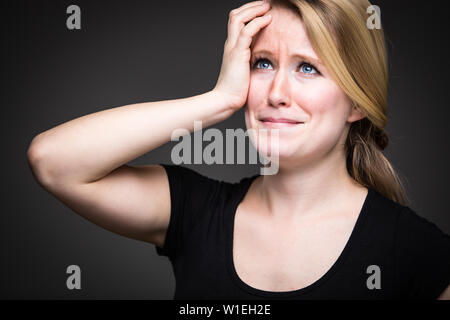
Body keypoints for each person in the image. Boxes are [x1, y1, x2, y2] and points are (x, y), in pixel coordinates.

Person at [26, 0, 450, 299]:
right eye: (262, 63)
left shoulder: (417, 251)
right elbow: (53, 161)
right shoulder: (195, 211)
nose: (277, 93)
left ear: (357, 101)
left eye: (308, 67)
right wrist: (219, 101)